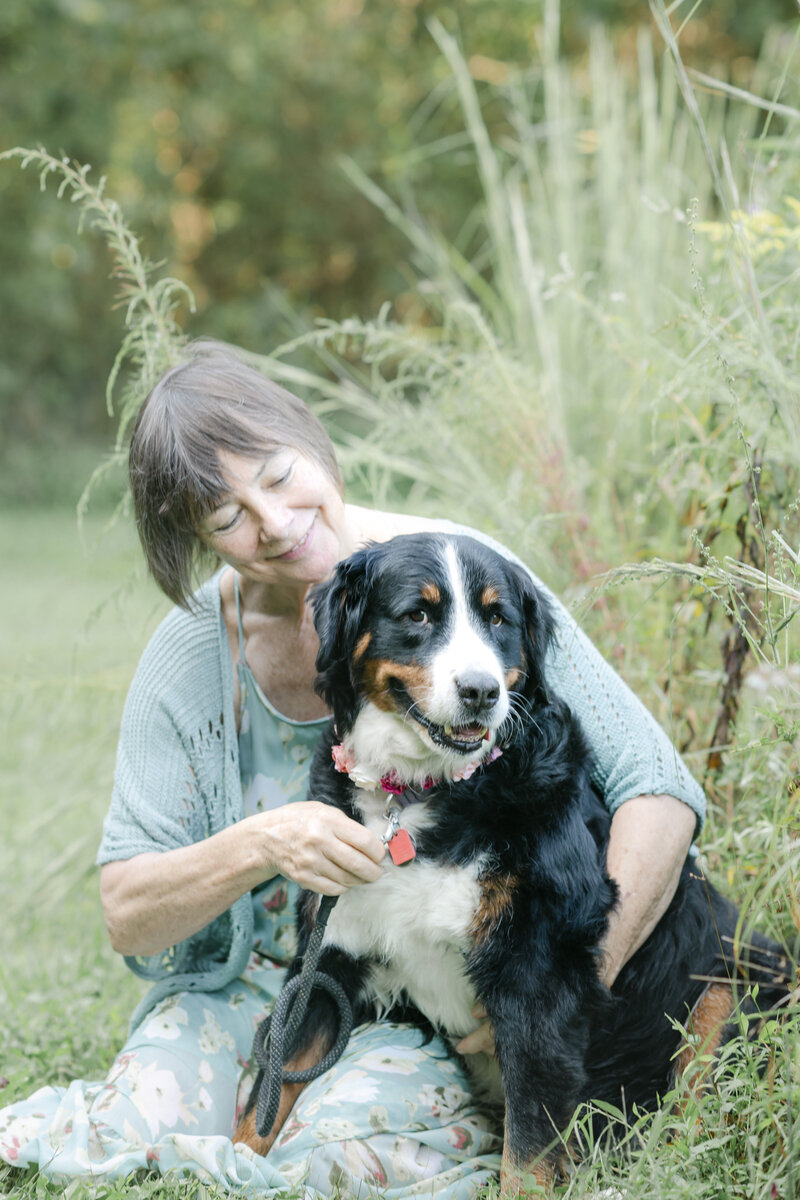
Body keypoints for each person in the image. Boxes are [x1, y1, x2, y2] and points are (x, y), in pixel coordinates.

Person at [0, 340, 702, 1197]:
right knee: (126, 1123)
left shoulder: (465, 572)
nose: (277, 520)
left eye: (278, 471)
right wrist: (266, 841)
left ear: (313, 442)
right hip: (258, 986)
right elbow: (127, 912)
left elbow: (658, 789)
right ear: (193, 536)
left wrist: (562, 987)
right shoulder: (188, 651)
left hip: (414, 1006)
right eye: (226, 515)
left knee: (339, 1159)